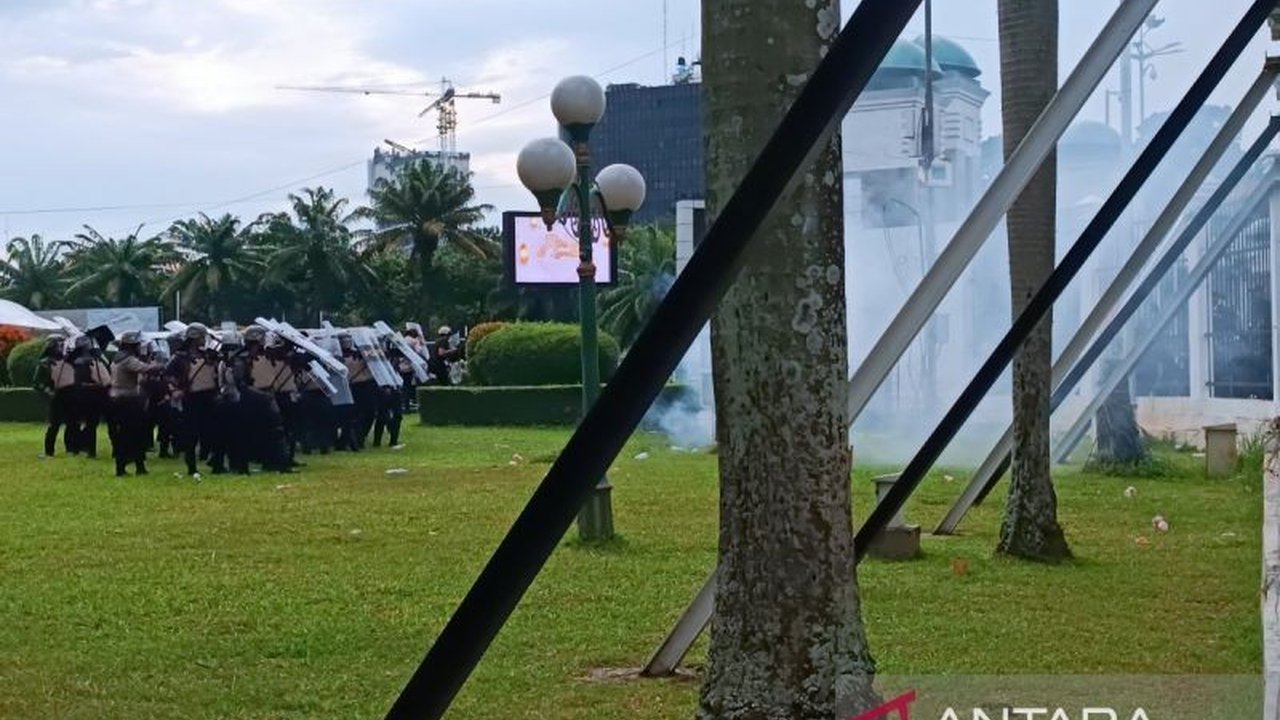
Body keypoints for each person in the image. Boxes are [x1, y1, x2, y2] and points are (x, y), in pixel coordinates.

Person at [108, 332, 162, 476]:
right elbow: (146, 369)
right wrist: (160, 365)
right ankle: (125, 467)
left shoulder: (117, 358)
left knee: (131, 433)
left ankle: (137, 466)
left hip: (120, 398)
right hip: (127, 400)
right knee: (132, 434)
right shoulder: (127, 359)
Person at [69, 334, 111, 458]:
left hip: (85, 395)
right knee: (91, 423)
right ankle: (88, 448)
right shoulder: (86, 361)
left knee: (89, 424)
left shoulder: (77, 361)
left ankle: (82, 446)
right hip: (90, 395)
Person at [33, 335, 72, 457]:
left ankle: (71, 449)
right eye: (59, 345)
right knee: (54, 425)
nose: (61, 348)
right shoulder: (44, 363)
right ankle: (49, 451)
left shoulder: (67, 361)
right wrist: (48, 392)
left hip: (68, 395)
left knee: (71, 424)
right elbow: (37, 383)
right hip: (55, 396)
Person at [337, 332, 375, 451]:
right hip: (350, 387)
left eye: (348, 339)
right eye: (344, 339)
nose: (347, 341)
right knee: (350, 417)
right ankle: (350, 441)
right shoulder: (338, 357)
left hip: (365, 386)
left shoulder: (361, 354)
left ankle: (359, 438)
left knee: (368, 414)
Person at [375, 338, 405, 449]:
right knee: (383, 415)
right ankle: (377, 441)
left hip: (395, 386)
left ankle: (393, 440)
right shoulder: (377, 358)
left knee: (396, 415)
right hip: (384, 387)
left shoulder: (393, 356)